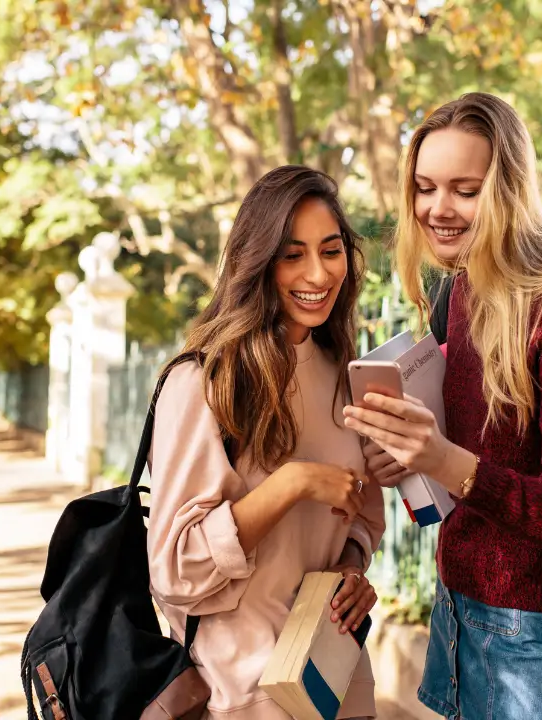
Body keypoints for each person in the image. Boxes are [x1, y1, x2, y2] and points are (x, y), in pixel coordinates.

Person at [342, 92, 542, 719]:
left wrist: (442, 457)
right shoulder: (461, 290)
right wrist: (408, 460)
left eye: (464, 189)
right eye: (424, 188)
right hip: (459, 605)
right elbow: (474, 456)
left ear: (508, 190)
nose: (437, 209)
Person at [146, 165, 385, 719]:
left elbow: (363, 518)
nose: (318, 273)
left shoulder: (345, 376)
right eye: (292, 254)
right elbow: (176, 570)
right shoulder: (205, 381)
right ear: (258, 262)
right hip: (245, 695)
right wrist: (293, 483)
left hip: (337, 682)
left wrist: (353, 568)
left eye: (331, 251)